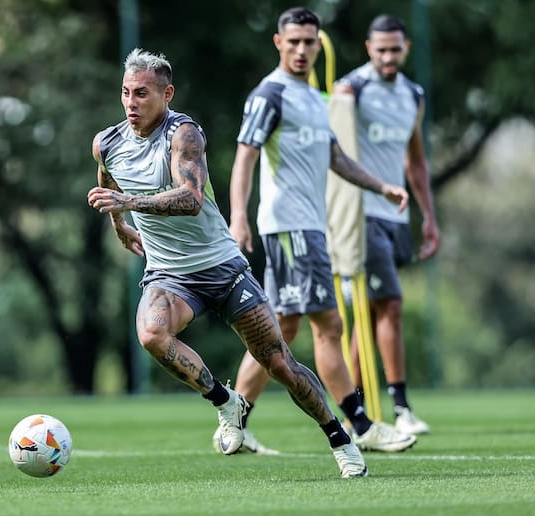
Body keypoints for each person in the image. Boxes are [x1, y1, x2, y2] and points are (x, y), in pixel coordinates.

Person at [88, 47, 369, 478]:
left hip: (222, 266)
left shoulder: (183, 134)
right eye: (125, 93)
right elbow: (109, 185)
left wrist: (128, 202)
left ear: (167, 94)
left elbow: (191, 198)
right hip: (169, 273)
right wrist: (120, 226)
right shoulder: (107, 143)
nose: (130, 103)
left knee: (279, 363)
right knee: (151, 335)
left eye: (141, 94)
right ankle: (226, 401)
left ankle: (339, 438)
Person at [214, 7, 417, 455]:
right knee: (328, 324)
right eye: (295, 42)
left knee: (279, 333)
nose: (303, 50)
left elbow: (336, 158)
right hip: (288, 228)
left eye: (310, 42)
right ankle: (360, 423)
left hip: (311, 229)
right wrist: (240, 217)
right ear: (279, 43)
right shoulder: (271, 94)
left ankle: (234, 419)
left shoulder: (312, 97)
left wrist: (381, 185)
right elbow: (245, 155)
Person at [334, 14, 439, 435]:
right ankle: (401, 407)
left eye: (395, 49)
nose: (388, 57)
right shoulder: (351, 90)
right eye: (381, 50)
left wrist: (428, 216)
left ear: (406, 48)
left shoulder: (413, 94)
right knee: (389, 305)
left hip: (394, 215)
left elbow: (415, 161)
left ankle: (357, 409)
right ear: (368, 48)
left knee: (373, 311)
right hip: (361, 213)